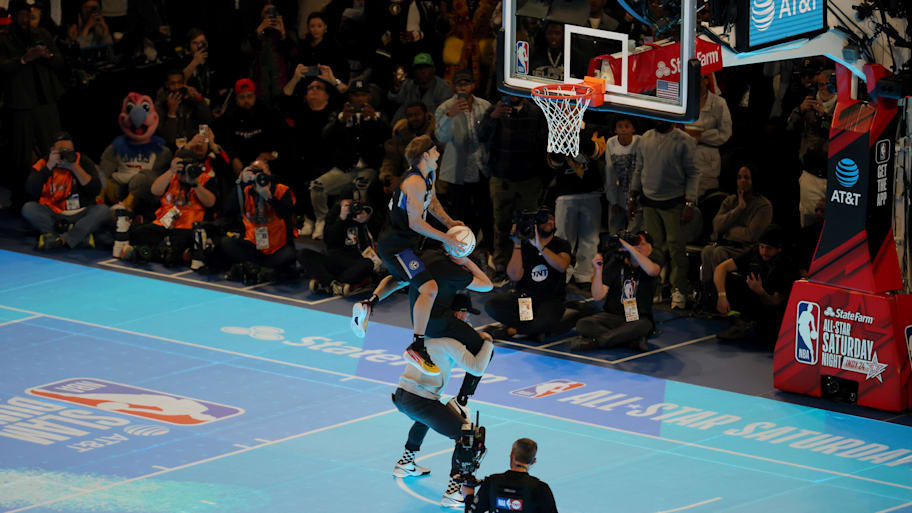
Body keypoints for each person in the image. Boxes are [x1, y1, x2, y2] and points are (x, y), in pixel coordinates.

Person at [350, 135, 468, 375]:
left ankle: (367, 305)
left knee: (402, 277)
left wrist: (449, 223)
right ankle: (417, 346)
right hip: (395, 245)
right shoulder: (413, 182)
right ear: (424, 154)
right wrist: (446, 238)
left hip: (404, 244)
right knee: (429, 288)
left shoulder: (429, 175)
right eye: (434, 150)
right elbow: (415, 222)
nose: (438, 153)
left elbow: (431, 203)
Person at [391, 291, 494, 509]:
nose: (468, 320)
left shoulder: (428, 333)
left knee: (426, 418)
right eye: (466, 315)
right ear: (458, 314)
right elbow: (477, 366)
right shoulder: (450, 342)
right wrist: (488, 343)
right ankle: (453, 491)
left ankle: (406, 462)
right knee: (465, 436)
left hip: (402, 396)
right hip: (420, 399)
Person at [0, 0, 66, 210]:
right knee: (19, 155)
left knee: (52, 148)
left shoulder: (41, 34)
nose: (25, 19)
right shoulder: (4, 38)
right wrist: (24, 59)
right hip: (19, 103)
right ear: (13, 15)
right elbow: (2, 68)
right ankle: (20, 198)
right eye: (21, 15)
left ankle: (57, 192)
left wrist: (47, 55)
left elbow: (60, 63)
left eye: (27, 15)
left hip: (45, 99)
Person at [628, 121, 699, 310]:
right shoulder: (645, 139)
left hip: (674, 201)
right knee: (653, 248)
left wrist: (690, 202)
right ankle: (656, 287)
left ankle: (680, 289)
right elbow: (639, 168)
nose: (658, 120)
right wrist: (632, 195)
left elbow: (693, 173)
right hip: (650, 202)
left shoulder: (684, 141)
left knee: (676, 248)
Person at [124, 133, 219, 266]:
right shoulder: (171, 176)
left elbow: (211, 202)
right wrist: (171, 171)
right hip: (164, 223)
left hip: (187, 227)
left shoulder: (204, 178)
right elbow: (154, 190)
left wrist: (195, 183)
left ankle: (156, 252)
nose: (184, 168)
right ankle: (167, 252)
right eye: (182, 164)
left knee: (182, 240)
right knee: (137, 233)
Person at [310, 79, 388, 239]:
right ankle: (322, 220)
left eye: (363, 95)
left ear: (369, 96)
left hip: (368, 168)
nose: (359, 99)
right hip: (344, 168)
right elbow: (325, 137)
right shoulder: (340, 114)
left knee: (360, 192)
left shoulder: (379, 114)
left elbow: (388, 136)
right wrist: (341, 121)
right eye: (356, 95)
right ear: (350, 97)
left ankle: (360, 228)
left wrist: (375, 120)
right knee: (316, 187)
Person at [483, 209, 574, 341]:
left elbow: (562, 266)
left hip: (550, 300)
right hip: (526, 299)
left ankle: (511, 330)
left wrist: (540, 247)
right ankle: (532, 330)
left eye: (551, 218)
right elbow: (515, 276)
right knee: (492, 305)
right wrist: (517, 244)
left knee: (546, 320)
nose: (549, 221)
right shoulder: (524, 245)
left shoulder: (561, 244)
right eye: (544, 219)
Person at [570, 231, 663, 352]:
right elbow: (598, 296)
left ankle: (597, 342)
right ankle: (628, 340)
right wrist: (598, 270)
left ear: (651, 248)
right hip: (612, 317)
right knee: (583, 323)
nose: (638, 246)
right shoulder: (616, 262)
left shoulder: (655, 259)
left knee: (644, 326)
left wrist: (630, 248)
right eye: (636, 243)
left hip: (638, 319)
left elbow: (652, 271)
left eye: (642, 244)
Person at [546, 120, 607, 292]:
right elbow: (554, 162)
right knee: (563, 237)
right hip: (565, 193)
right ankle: (561, 274)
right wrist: (562, 136)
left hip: (591, 192)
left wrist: (576, 134)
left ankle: (585, 276)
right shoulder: (555, 131)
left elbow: (596, 152)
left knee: (590, 238)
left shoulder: (595, 129)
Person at [22, 132, 109, 250]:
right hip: (53, 212)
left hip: (80, 212)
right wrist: (49, 166)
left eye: (70, 151)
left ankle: (61, 238)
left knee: (103, 210)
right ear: (52, 150)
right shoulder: (43, 163)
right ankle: (80, 237)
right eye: (62, 151)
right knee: (28, 208)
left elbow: (95, 190)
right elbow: (30, 189)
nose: (66, 154)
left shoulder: (83, 161)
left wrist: (73, 167)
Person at [434, 70, 491, 248]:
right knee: (461, 215)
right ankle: (460, 251)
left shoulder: (485, 106)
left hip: (482, 167)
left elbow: (490, 135)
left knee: (486, 214)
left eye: (466, 83)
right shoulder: (445, 108)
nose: (463, 87)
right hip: (458, 171)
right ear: (454, 87)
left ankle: (487, 250)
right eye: (459, 84)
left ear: (473, 85)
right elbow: (441, 137)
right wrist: (449, 116)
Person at [713, 225, 800, 342]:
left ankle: (754, 323)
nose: (764, 252)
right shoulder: (754, 252)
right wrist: (721, 296)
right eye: (762, 247)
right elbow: (721, 268)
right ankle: (741, 321)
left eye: (769, 248)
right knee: (723, 280)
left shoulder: (786, 265)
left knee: (766, 336)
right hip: (754, 295)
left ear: (779, 249)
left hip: (774, 309)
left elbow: (776, 302)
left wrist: (761, 292)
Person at [221, 158, 296, 284]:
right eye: (254, 171)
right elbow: (228, 210)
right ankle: (260, 269)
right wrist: (239, 183)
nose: (258, 175)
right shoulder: (244, 190)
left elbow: (287, 214)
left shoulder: (281, 190)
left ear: (270, 174)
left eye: (261, 171)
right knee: (227, 242)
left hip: (276, 247)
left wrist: (269, 197)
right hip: (252, 245)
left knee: (290, 254)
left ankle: (252, 268)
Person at [98, 92, 172, 218]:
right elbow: (105, 167)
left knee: (141, 179)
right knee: (98, 174)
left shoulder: (161, 150)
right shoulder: (116, 147)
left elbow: (156, 177)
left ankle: (125, 209)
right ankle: (97, 208)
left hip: (143, 191)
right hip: (118, 188)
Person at [700, 165, 772, 286]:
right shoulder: (731, 201)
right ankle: (707, 292)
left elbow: (751, 235)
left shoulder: (763, 206)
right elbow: (717, 226)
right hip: (727, 245)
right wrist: (739, 209)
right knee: (707, 251)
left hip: (748, 249)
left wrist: (728, 230)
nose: (742, 181)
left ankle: (723, 293)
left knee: (719, 252)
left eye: (746, 177)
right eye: (739, 177)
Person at [299, 192, 376, 296]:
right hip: (333, 258)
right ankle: (333, 282)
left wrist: (366, 220)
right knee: (303, 254)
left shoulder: (362, 212)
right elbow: (328, 240)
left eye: (354, 203)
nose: (351, 206)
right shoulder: (334, 214)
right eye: (347, 204)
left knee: (368, 264)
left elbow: (376, 232)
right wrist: (341, 218)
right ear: (340, 203)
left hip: (353, 261)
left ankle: (330, 281)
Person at [787, 68, 836, 227]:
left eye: (826, 85)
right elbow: (788, 128)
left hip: (833, 175)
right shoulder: (807, 103)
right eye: (820, 84)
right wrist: (799, 110)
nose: (822, 88)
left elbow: (840, 135)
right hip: (811, 173)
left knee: (833, 223)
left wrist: (825, 117)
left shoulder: (842, 105)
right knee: (808, 221)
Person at [462, 438, 559, 513]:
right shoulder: (541, 489)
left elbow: (473, 511)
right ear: (533, 461)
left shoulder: (492, 482)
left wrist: (468, 495)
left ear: (512, 455)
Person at [684, 74, 733, 199]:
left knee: (704, 199)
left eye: (698, 78)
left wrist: (701, 136)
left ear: (706, 80)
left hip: (708, 161)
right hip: (685, 157)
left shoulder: (719, 103)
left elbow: (725, 133)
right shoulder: (685, 100)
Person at [380, 101, 435, 198]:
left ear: (426, 114)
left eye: (417, 114)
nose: (414, 118)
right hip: (404, 175)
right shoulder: (401, 132)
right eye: (410, 115)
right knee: (378, 187)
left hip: (430, 178)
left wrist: (403, 181)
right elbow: (391, 158)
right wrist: (388, 177)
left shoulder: (437, 133)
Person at [154, 68, 213, 150]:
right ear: (167, 84)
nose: (177, 87)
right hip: (173, 147)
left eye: (179, 83)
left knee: (207, 133)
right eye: (173, 83)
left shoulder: (189, 96)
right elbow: (168, 139)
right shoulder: (160, 103)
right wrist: (171, 113)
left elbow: (207, 121)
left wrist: (199, 100)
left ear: (184, 83)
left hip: (193, 141)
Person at [388, 52, 453, 124]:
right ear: (414, 71)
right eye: (418, 68)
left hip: (430, 128)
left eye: (426, 67)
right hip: (406, 127)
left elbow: (444, 115)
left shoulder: (443, 88)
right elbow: (395, 100)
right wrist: (395, 88)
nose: (422, 71)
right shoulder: (409, 84)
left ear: (433, 69)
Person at [604, 116, 641, 234]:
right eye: (620, 126)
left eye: (627, 126)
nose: (623, 129)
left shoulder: (641, 141)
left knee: (634, 236)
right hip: (618, 198)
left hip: (637, 200)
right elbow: (610, 174)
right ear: (615, 130)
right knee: (614, 234)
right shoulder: (611, 143)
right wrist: (613, 201)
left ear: (633, 129)